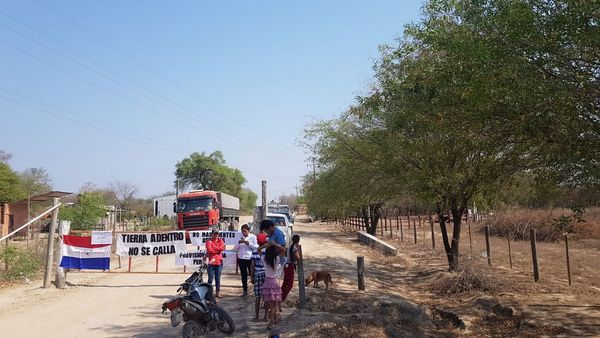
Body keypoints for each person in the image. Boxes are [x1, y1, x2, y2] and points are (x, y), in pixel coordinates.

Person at [259, 241, 286, 330]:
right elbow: (284, 250)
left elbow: (258, 250)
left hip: (267, 282)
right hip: (275, 282)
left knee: (270, 304)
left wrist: (264, 246)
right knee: (274, 304)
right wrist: (276, 244)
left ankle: (273, 320)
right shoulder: (277, 259)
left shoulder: (264, 258)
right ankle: (272, 321)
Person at [233, 224, 258, 296]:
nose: (244, 233)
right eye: (242, 231)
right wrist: (239, 243)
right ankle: (245, 290)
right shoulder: (239, 237)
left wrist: (248, 243)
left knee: (252, 274)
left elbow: (256, 247)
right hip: (241, 258)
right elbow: (235, 248)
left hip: (250, 258)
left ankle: (255, 289)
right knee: (243, 275)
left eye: (245, 231)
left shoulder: (253, 237)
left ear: (248, 231)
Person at [250, 233, 268, 321]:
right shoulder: (268, 251)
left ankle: (257, 317)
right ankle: (266, 316)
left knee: (258, 297)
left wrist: (251, 277)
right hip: (267, 274)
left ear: (257, 241)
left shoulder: (255, 251)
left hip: (257, 274)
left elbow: (252, 266)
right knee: (267, 296)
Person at [281, 234, 301, 301]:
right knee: (290, 285)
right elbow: (298, 258)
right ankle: (282, 298)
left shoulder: (290, 247)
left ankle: (279, 296)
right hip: (290, 267)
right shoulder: (294, 248)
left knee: (285, 283)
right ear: (298, 241)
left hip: (286, 266)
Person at [206, 227, 225, 298]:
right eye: (215, 233)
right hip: (211, 263)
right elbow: (209, 250)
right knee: (210, 279)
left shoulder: (221, 241)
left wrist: (214, 248)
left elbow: (222, 248)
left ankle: (217, 293)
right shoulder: (209, 241)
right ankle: (208, 294)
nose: (216, 235)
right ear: (212, 234)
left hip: (219, 263)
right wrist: (218, 250)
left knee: (218, 279)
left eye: (217, 233)